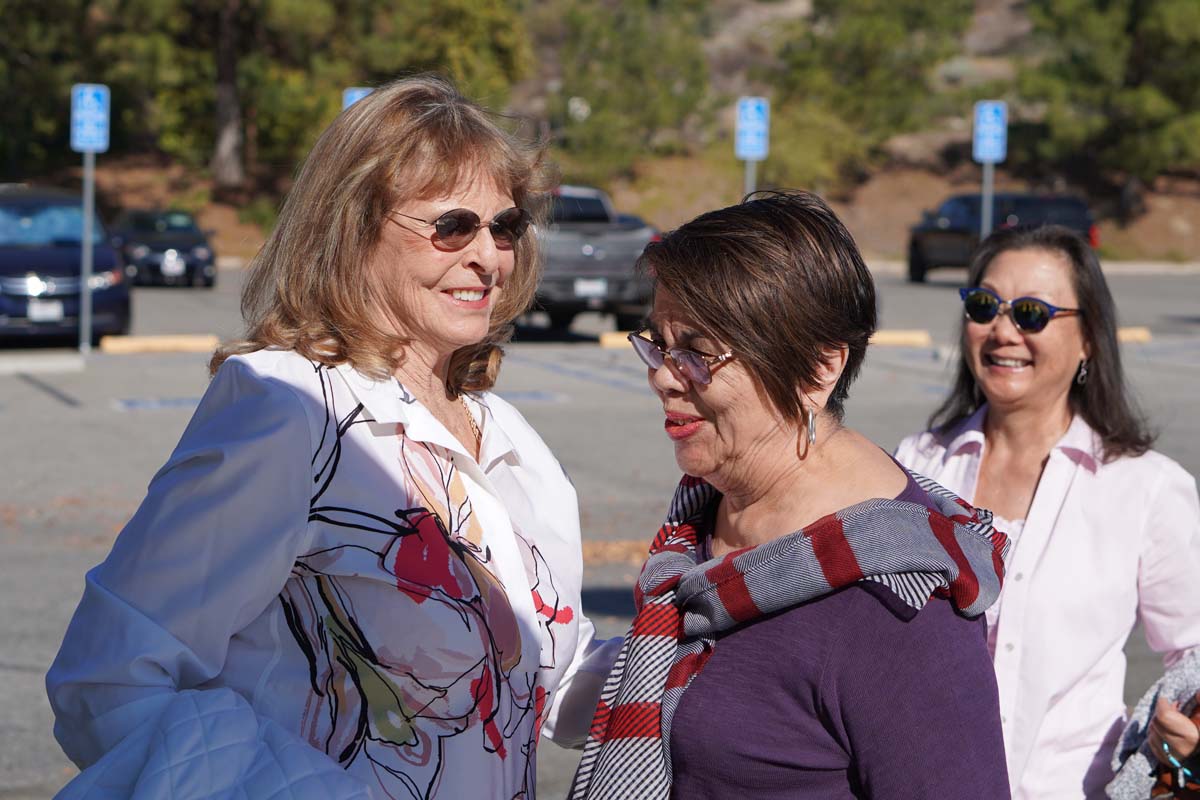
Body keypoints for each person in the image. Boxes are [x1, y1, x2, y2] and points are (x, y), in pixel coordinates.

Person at [46, 75, 615, 800]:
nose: (488, 255)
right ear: (354, 229)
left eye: (504, 226)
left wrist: (712, 656)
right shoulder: (289, 405)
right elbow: (110, 677)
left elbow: (544, 674)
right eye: (452, 226)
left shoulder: (509, 437)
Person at [570, 190, 1011, 800]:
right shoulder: (703, 512)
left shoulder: (896, 608)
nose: (664, 376)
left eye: (698, 352)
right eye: (658, 343)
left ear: (819, 368)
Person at [894, 224, 1200, 799]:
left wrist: (1179, 740)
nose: (1003, 330)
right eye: (985, 306)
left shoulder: (1146, 488)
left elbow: (1195, 652)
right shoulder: (914, 466)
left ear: (1088, 337)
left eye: (1032, 313)